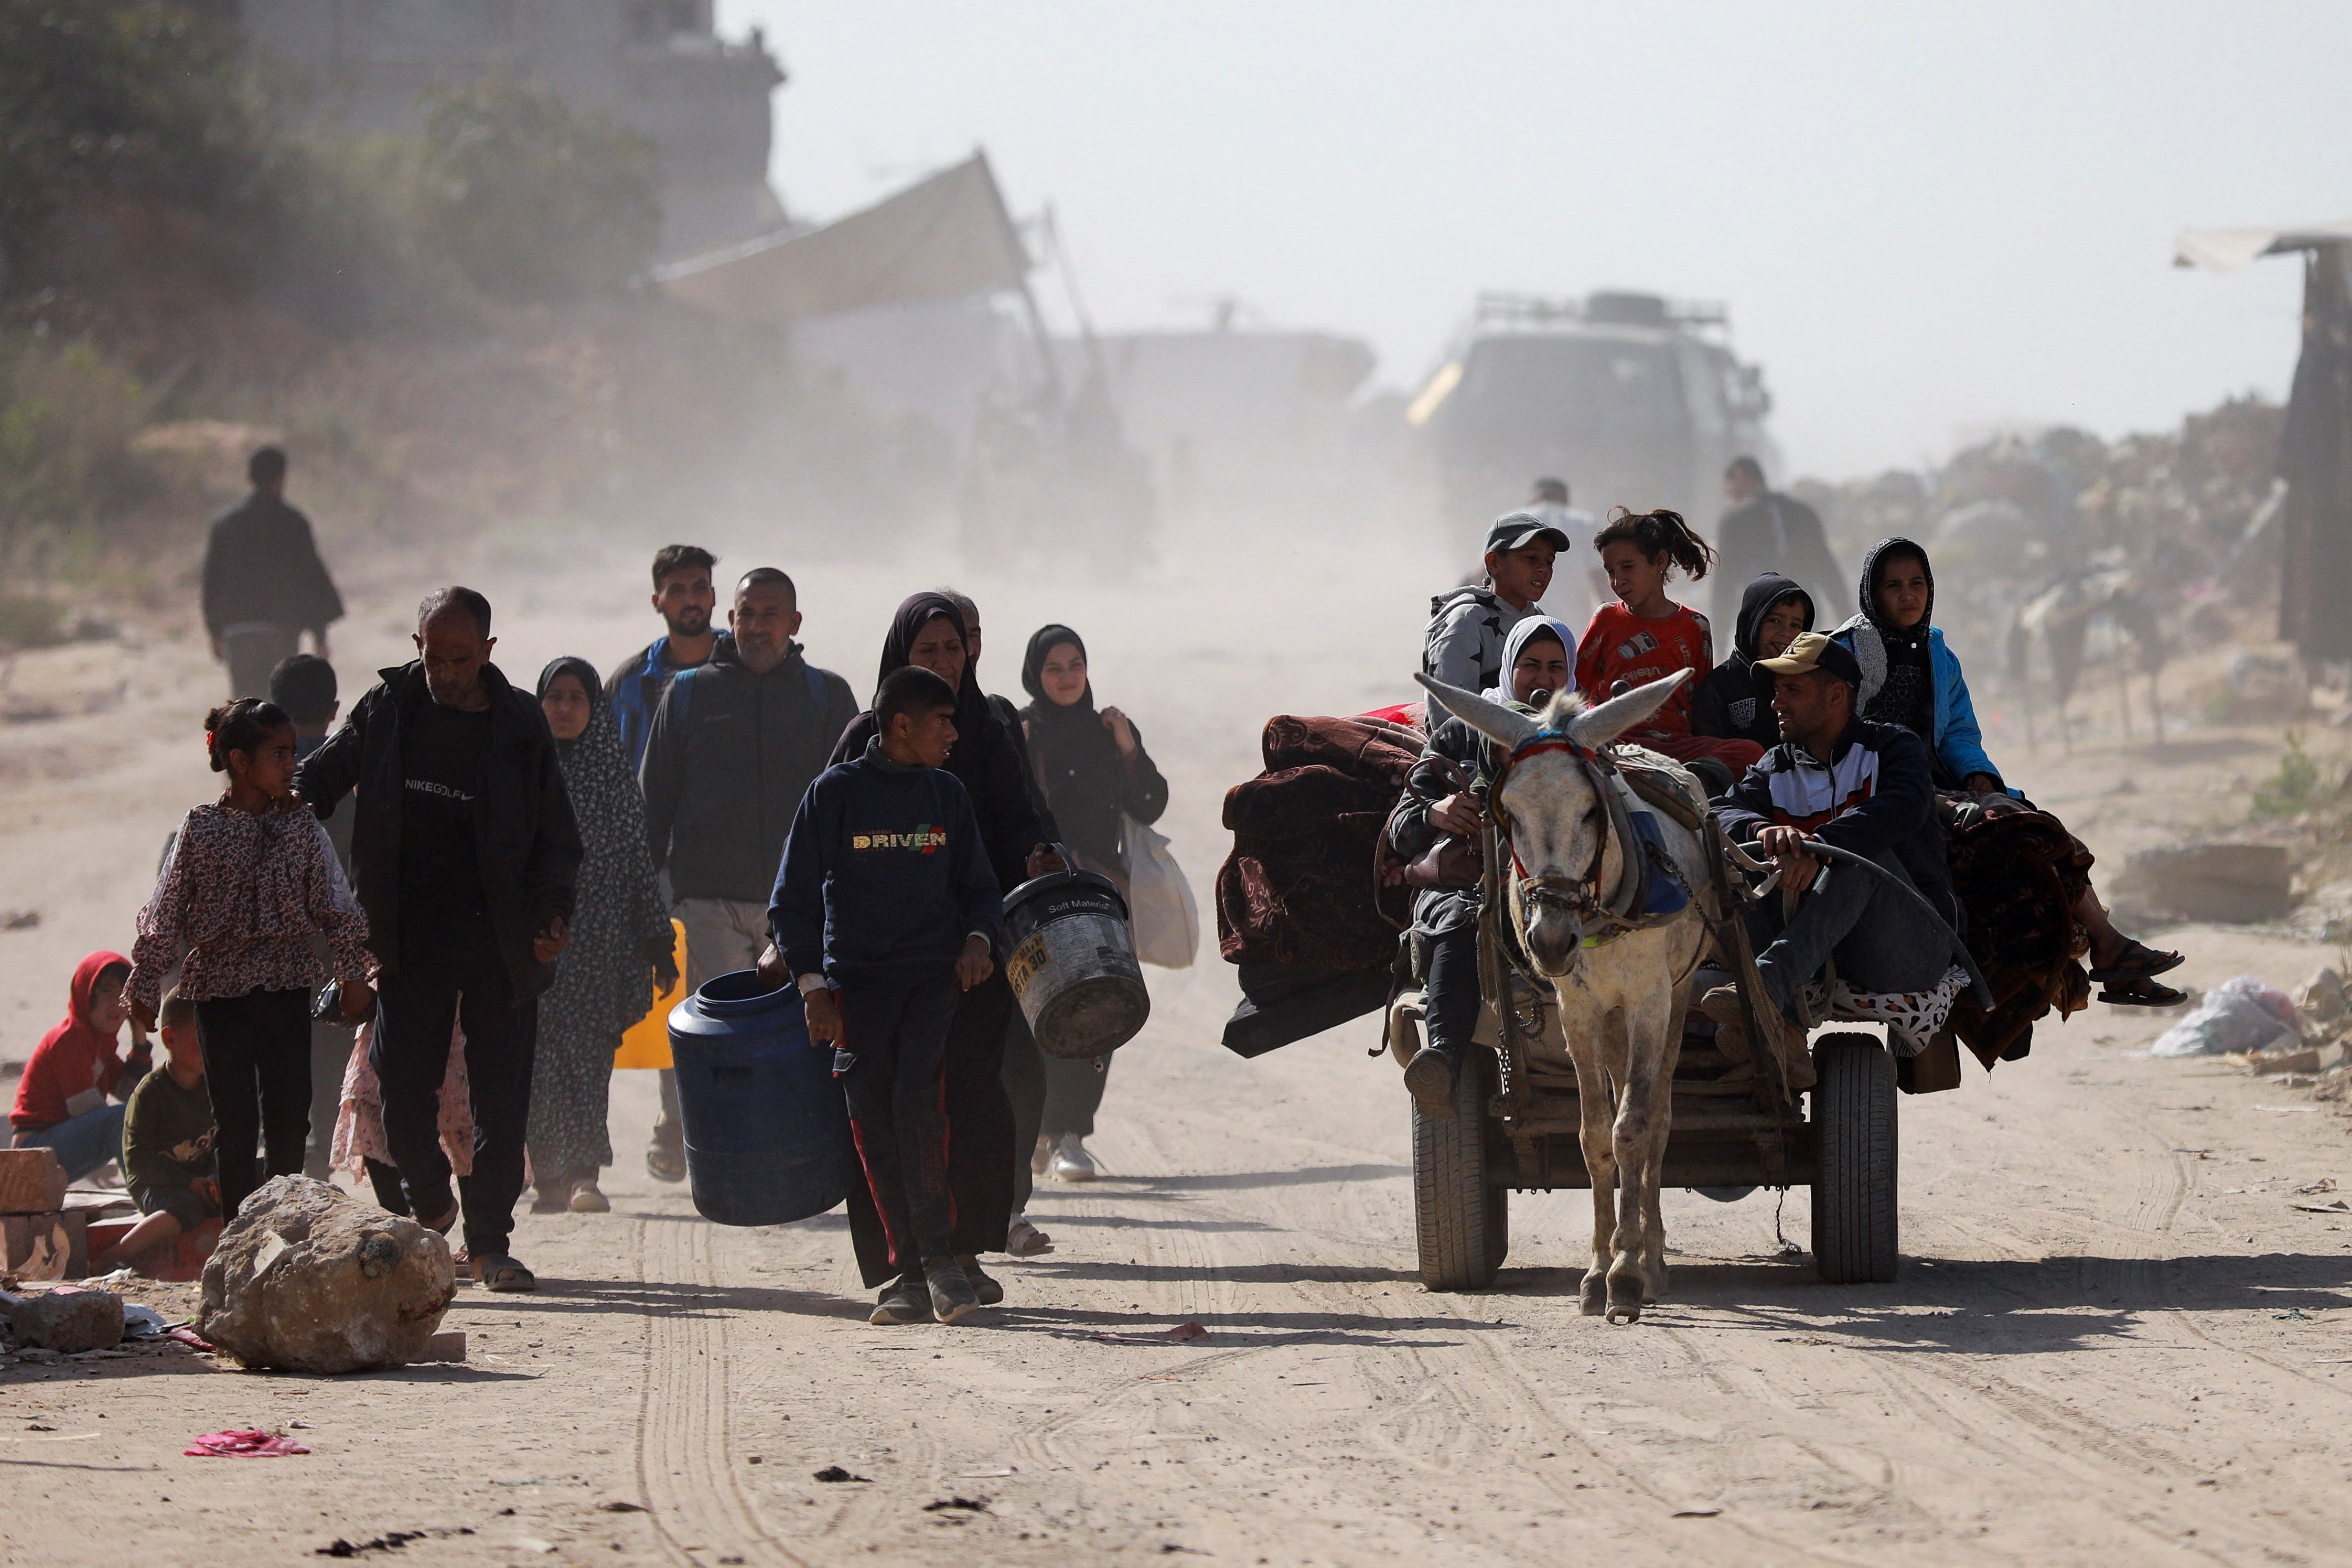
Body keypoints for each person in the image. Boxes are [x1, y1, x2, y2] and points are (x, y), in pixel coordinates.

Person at [293, 586, 581, 1292]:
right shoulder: (388, 709)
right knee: (398, 1084)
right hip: (408, 935)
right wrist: (268, 802)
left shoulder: (518, 722)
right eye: (434, 657)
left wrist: (551, 916)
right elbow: (320, 779)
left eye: (461, 658)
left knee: (500, 1101)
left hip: (501, 940)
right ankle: (431, 1198)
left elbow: (555, 836)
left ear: (487, 651)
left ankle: (489, 1245)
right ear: (416, 645)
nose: (447, 673)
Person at [823, 594, 1061, 1303]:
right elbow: (815, 848)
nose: (943, 664)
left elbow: (1023, 817)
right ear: (901, 658)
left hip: (975, 957)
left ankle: (961, 1249)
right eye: (927, 652)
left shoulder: (988, 729)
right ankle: (906, 1265)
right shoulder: (862, 739)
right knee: (890, 1108)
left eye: (953, 650)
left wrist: (1043, 853)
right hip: (880, 963)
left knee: (971, 1103)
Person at [1831, 536, 2184, 1008]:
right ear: (1872, 593)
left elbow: (1957, 731)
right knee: (2011, 831)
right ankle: (2113, 952)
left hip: (1945, 782)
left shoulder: (1938, 654)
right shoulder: (1848, 651)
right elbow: (1838, 735)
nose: (1908, 595)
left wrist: (1979, 775)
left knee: (2039, 829)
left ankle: (2112, 950)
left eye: (1916, 583)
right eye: (1893, 585)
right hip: (1884, 788)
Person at [767, 665, 1006, 1326]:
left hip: (931, 983)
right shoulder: (833, 795)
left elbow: (981, 889)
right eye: (942, 721)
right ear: (901, 724)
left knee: (918, 1109)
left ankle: (937, 1261)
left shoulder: (947, 795)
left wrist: (979, 942)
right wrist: (814, 988)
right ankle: (909, 1271)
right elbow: (790, 903)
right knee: (873, 1121)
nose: (954, 734)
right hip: (856, 991)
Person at [638, 568, 857, 1180]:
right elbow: (654, 808)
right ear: (728, 619)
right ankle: (719, 1151)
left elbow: (852, 800)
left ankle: (798, 1151)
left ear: (795, 623)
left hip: (802, 901)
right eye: (746, 613)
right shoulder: (685, 694)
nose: (757, 626)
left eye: (770, 614)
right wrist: (647, 904)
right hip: (707, 899)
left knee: (804, 1029)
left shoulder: (827, 696)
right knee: (718, 1032)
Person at [127, 698, 374, 1220]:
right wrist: (146, 984)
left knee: (289, 1119)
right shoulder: (201, 828)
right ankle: (239, 1240)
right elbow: (165, 909)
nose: (292, 764)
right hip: (219, 991)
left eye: (291, 752)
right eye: (278, 754)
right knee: (235, 1125)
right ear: (241, 762)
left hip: (286, 985)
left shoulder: (303, 828)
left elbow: (337, 905)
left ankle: (281, 1230)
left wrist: (353, 974)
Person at [1707, 632, 1958, 1040]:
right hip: (1824, 948)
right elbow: (1718, 812)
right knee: (1740, 863)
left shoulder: (1893, 747)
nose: (1776, 703)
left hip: (1909, 949)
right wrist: (1766, 831)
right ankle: (1782, 1035)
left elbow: (1903, 806)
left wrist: (1816, 847)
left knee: (1861, 858)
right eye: (1776, 690)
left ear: (1836, 696)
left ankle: (1764, 985)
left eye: (1792, 690)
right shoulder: (1775, 765)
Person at [1389, 615, 1577, 1114]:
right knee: (1461, 920)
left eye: (1556, 667)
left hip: (1559, 885)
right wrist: (1437, 812)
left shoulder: (1585, 733)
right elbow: (1399, 826)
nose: (1543, 679)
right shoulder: (1461, 733)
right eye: (1530, 666)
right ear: (1510, 668)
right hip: (1471, 885)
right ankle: (1444, 1059)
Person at [1013, 624, 1170, 1189]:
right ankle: (1036, 1128)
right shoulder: (1021, 730)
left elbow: (1150, 803)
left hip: (1103, 894)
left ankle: (1070, 1133)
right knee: (1037, 1010)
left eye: (1075, 663)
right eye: (1054, 667)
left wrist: (1128, 746)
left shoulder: (1108, 731)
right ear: (1036, 673)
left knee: (1103, 1006)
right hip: (1037, 895)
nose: (1066, 676)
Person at [528, 657, 676, 1214]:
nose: (564, 708)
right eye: (554, 697)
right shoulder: (523, 771)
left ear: (595, 708)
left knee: (590, 1061)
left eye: (576, 698)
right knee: (537, 1064)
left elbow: (638, 866)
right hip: (535, 945)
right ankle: (546, 1175)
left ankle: (585, 1172)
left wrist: (658, 944)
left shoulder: (615, 779)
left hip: (600, 946)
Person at [1575, 507, 1763, 791]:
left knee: (1750, 754)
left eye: (1628, 567)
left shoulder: (1695, 626)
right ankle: (1667, 782)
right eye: (1610, 571)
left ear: (1660, 561)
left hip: (1676, 747)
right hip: (1615, 741)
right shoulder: (1606, 619)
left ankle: (1678, 783)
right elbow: (1577, 688)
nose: (1617, 581)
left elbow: (1698, 698)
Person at [271, 652, 360, 1182]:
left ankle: (279, 1175)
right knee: (329, 1069)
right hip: (332, 953)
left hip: (271, 952)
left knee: (277, 1072)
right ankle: (318, 1176)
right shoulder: (347, 776)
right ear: (333, 710)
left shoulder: (257, 774)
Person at [201, 447, 345, 699]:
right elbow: (310, 578)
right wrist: (320, 635)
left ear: (249, 477)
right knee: (280, 709)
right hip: (282, 630)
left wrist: (214, 632)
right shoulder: (294, 522)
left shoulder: (226, 524)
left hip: (239, 631)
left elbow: (211, 582)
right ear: (282, 477)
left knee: (246, 711)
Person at [95, 989, 219, 1271]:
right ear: (169, 1039)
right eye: (197, 1043)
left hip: (204, 1181)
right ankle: (117, 1254)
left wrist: (215, 1179)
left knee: (261, 1179)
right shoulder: (150, 1095)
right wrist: (188, 1183)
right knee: (188, 1207)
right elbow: (139, 1163)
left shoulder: (216, 1086)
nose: (207, 1049)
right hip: (159, 1187)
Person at [9, 952, 148, 1182]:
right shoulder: (70, 1039)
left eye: (125, 993)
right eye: (106, 990)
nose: (117, 1001)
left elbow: (131, 1094)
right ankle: (148, 1195)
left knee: (136, 1114)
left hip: (56, 1142)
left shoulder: (101, 1043)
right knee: (122, 1118)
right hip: (32, 1151)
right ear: (86, 994)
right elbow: (87, 1110)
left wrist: (140, 1041)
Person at [1424, 511, 1572, 693]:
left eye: (1549, 561)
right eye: (1531, 558)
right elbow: (1450, 709)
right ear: (1494, 563)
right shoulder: (1466, 622)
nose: (1543, 569)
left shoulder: (1537, 619)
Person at [609, 545, 721, 775]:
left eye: (700, 589)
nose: (691, 601)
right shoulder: (631, 682)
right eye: (677, 591)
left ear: (713, 596)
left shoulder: (744, 666)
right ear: (656, 602)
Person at [1711, 456, 1848, 634]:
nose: (1731, 500)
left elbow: (1725, 582)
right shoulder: (1802, 513)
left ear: (1740, 476)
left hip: (1762, 614)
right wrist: (1846, 619)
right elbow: (1827, 568)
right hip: (1805, 612)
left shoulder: (1735, 520)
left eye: (1731, 493)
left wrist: (1719, 639)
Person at [1691, 573, 1816, 756]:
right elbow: (1711, 756)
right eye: (1775, 621)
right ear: (1751, 623)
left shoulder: (1807, 681)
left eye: (1796, 626)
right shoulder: (1718, 686)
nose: (1786, 633)